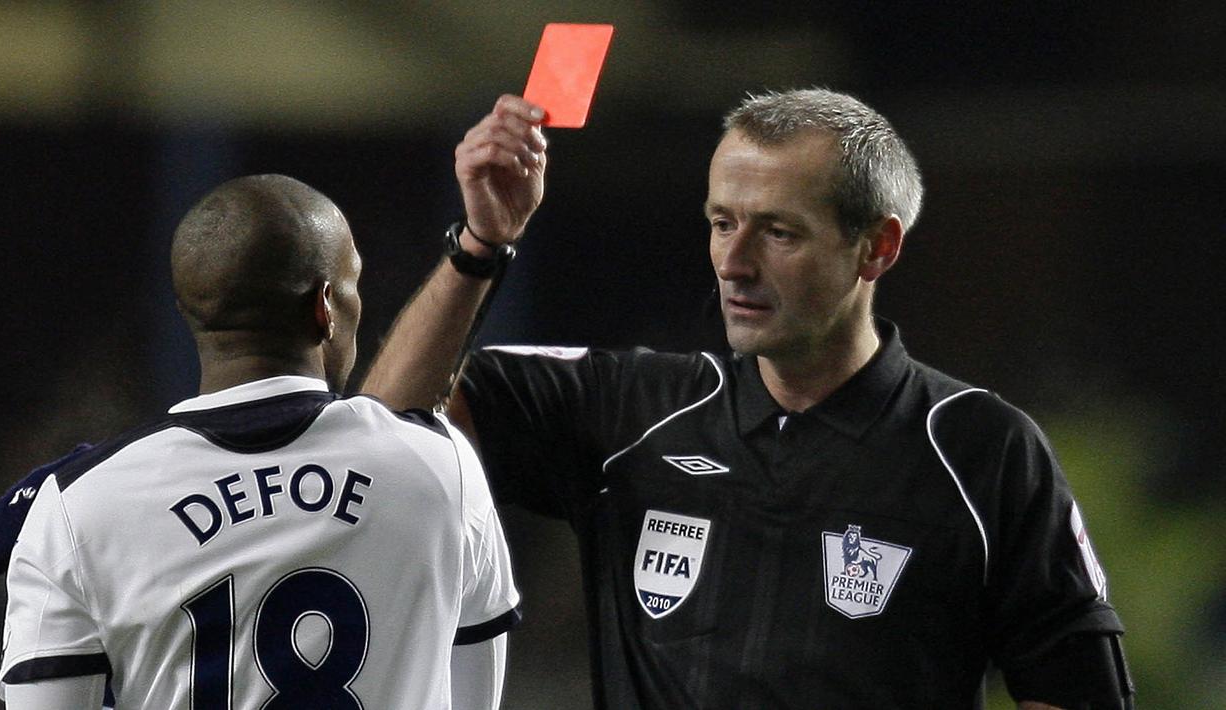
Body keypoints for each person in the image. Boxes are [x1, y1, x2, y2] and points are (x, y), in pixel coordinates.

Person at [362, 91, 1134, 708]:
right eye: (721, 223)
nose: (732, 262)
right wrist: (480, 244)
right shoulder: (632, 409)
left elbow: (1075, 691)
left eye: (778, 232)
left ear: (877, 247)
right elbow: (383, 433)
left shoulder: (979, 448)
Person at [0, 175, 519, 709]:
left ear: (192, 314)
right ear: (325, 308)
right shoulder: (441, 465)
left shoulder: (77, 505)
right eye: (352, 283)